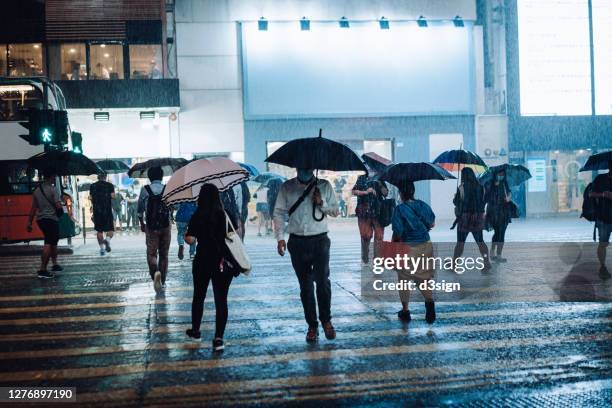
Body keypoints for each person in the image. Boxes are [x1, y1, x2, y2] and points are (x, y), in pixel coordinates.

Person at [274, 168, 339, 343]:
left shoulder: (324, 185)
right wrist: (280, 238)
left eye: (308, 166)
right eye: (301, 166)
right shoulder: (287, 187)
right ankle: (312, 325)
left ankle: (326, 321)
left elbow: (335, 210)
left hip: (320, 240)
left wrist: (321, 202)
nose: (305, 169)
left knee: (323, 282)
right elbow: (279, 212)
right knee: (305, 286)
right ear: (296, 167)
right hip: (297, 242)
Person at [184, 184, 234, 352]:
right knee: (221, 300)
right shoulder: (225, 214)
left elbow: (190, 240)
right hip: (222, 262)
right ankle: (219, 338)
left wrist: (187, 234)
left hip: (202, 261)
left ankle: (196, 331)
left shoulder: (198, 215)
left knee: (199, 296)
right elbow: (236, 234)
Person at [391, 181, 436, 323]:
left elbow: (397, 233)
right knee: (423, 278)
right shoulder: (422, 205)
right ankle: (429, 303)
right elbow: (432, 223)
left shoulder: (399, 209)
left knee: (404, 279)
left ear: (401, 194)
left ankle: (405, 311)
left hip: (408, 247)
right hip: (425, 244)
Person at [138, 167, 171, 292]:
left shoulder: (145, 190)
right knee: (164, 254)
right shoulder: (167, 188)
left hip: (151, 227)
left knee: (151, 254)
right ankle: (162, 280)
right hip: (165, 226)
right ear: (161, 177)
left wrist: (142, 223)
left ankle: (155, 272)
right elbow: (173, 205)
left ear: (150, 177)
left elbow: (139, 210)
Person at [453, 168, 492, 271]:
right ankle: (486, 262)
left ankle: (454, 264)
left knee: (460, 242)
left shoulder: (462, 187)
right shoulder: (481, 187)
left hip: (464, 219)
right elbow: (485, 201)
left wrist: (455, 198)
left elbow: (456, 202)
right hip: (477, 218)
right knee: (480, 242)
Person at [27, 169, 63, 278]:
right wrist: (61, 207)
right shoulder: (53, 190)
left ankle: (55, 264)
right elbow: (59, 208)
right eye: (54, 176)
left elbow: (33, 208)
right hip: (51, 219)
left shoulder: (37, 190)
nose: (54, 178)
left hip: (41, 220)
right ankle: (42, 269)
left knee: (53, 241)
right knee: (49, 242)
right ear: (50, 177)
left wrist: (29, 222)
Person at [352, 169, 389, 265]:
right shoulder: (361, 178)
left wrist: (380, 184)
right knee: (365, 236)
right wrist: (365, 192)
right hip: (364, 212)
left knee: (379, 236)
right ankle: (365, 255)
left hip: (378, 212)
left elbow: (385, 193)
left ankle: (377, 259)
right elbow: (353, 191)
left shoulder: (380, 178)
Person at [589, 161, 612, 280]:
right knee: (603, 243)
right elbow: (590, 194)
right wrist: (603, 194)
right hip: (604, 216)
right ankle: (602, 267)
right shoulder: (600, 179)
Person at [485, 170, 512, 262]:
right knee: (497, 232)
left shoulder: (504, 183)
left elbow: (509, 192)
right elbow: (486, 198)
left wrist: (508, 197)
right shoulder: (489, 184)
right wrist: (492, 188)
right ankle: (492, 250)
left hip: (504, 211)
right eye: (499, 174)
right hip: (493, 212)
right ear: (495, 174)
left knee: (502, 232)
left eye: (503, 174)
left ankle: (499, 254)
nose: (501, 176)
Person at [89, 174, 115, 256]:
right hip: (107, 210)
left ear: (98, 177)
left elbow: (90, 197)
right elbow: (113, 196)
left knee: (99, 230)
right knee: (110, 229)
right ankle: (107, 240)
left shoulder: (92, 186)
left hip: (97, 211)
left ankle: (102, 249)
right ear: (105, 177)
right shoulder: (110, 185)